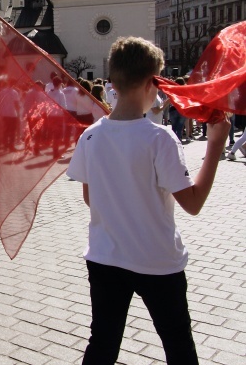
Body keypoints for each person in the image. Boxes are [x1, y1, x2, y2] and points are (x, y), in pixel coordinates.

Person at [67, 36, 230, 365]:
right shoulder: (160, 137)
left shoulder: (91, 135)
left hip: (104, 257)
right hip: (157, 261)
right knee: (178, 343)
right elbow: (193, 203)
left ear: (112, 81)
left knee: (102, 343)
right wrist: (215, 145)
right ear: (152, 82)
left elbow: (90, 197)